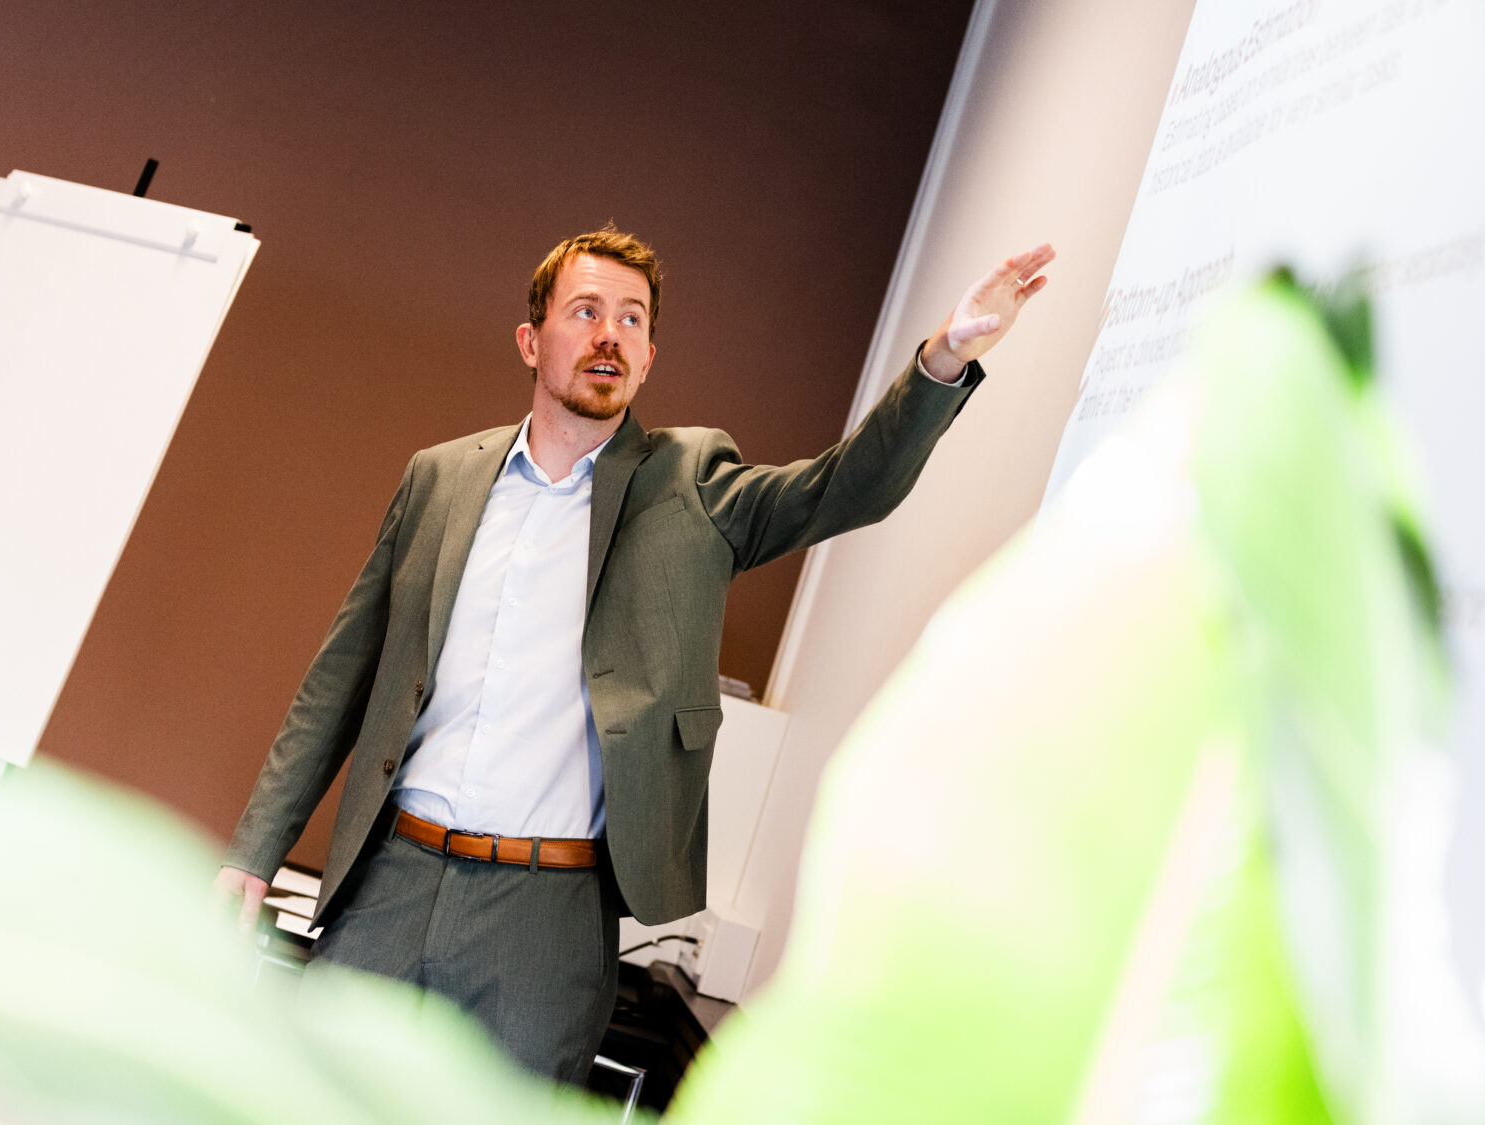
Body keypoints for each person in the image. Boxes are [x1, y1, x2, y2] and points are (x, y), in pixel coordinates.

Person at [214, 228, 1054, 1082]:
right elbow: (341, 676)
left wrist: (943, 359)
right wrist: (253, 851)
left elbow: (844, 487)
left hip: (546, 916)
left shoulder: (691, 482)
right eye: (586, 312)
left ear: (648, 358)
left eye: (632, 319)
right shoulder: (440, 477)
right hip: (393, 880)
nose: (609, 335)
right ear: (531, 340)